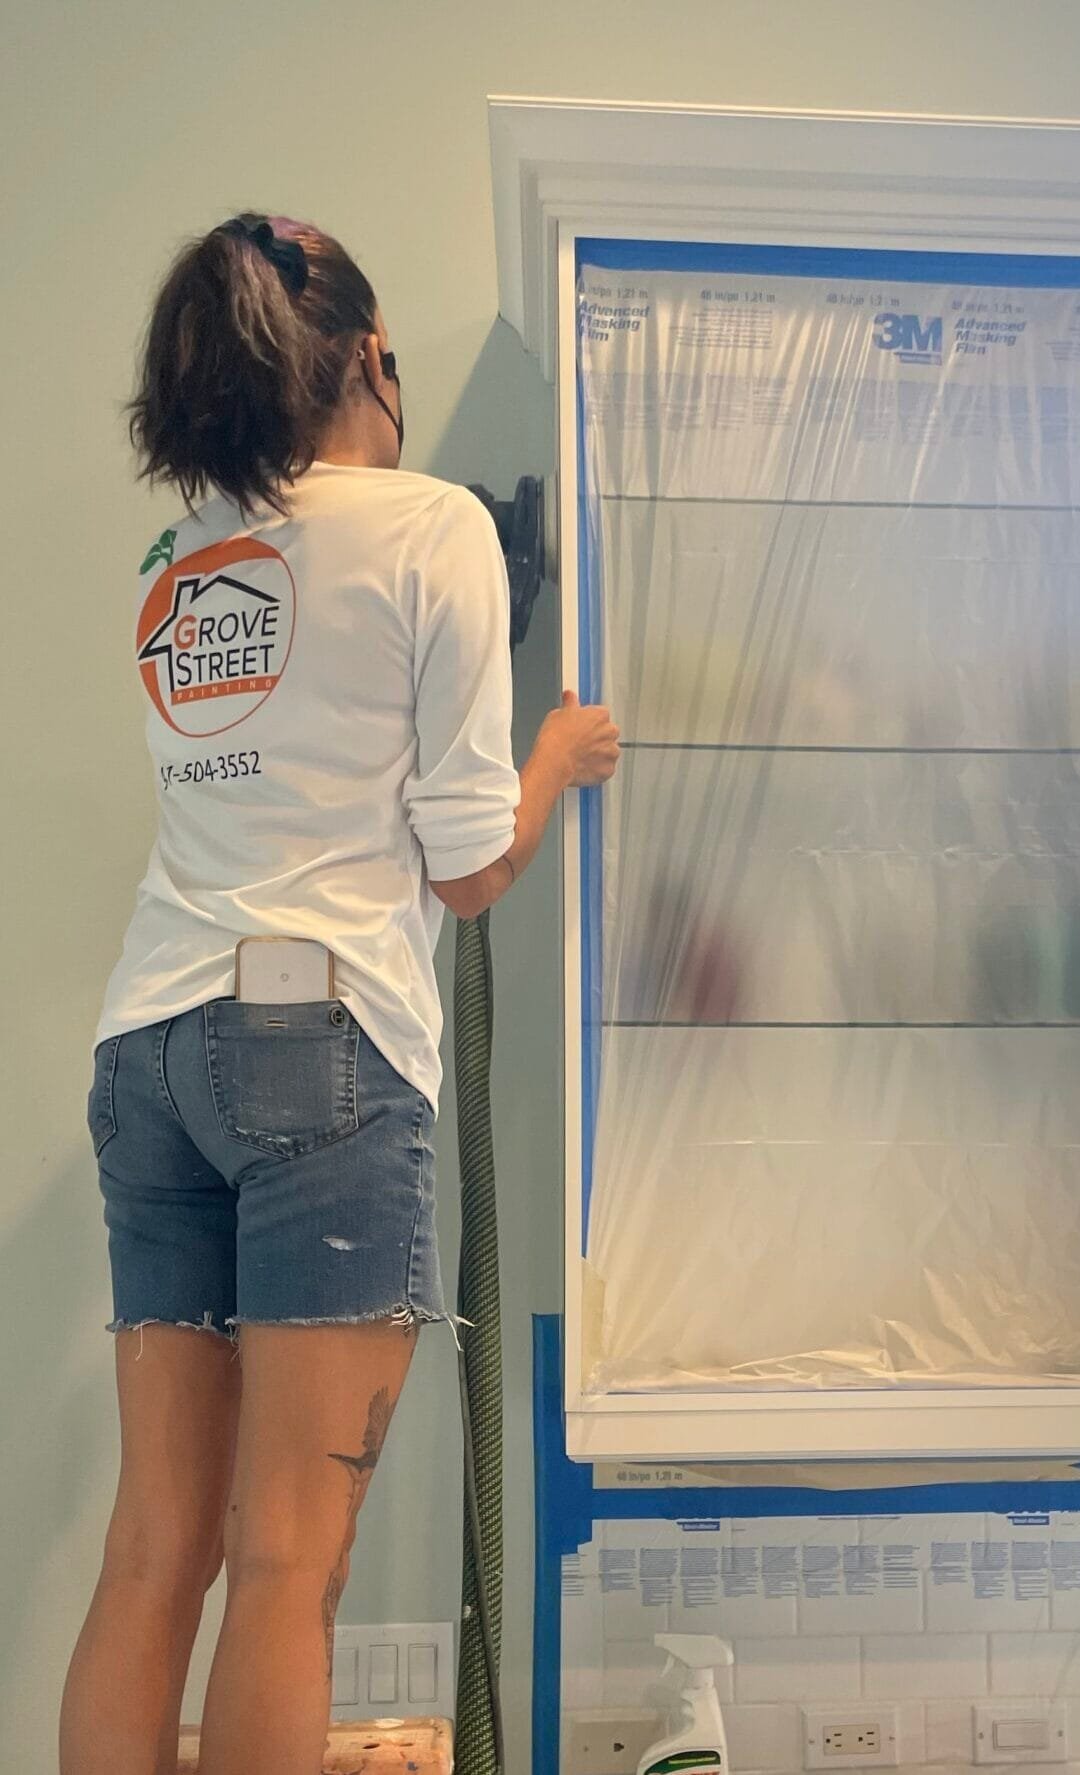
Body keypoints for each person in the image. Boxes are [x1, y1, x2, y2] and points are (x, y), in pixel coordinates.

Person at [58, 211, 620, 1775]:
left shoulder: (180, 559)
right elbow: (468, 870)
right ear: (370, 356)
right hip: (320, 1051)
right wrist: (556, 759)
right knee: (289, 1562)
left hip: (147, 1050)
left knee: (154, 1550)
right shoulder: (429, 525)